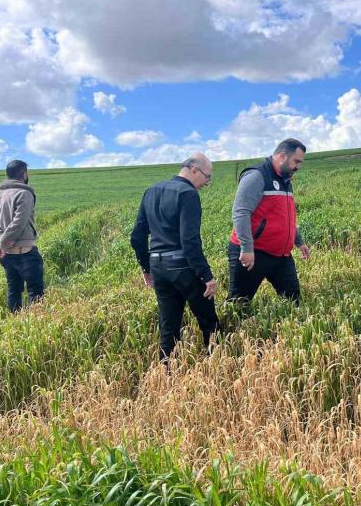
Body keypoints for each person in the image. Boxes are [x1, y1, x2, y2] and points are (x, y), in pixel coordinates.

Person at [130, 153, 219, 363]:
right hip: (183, 266)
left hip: (158, 266)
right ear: (194, 170)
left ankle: (167, 372)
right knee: (208, 321)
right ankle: (217, 366)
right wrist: (206, 276)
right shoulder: (188, 194)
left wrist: (147, 268)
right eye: (207, 177)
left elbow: (136, 237)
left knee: (168, 326)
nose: (207, 182)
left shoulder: (151, 191)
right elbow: (189, 241)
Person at [227, 138, 310, 305]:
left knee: (293, 301)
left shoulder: (286, 179)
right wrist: (247, 248)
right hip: (254, 252)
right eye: (296, 161)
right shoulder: (257, 176)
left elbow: (287, 216)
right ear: (282, 156)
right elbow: (240, 212)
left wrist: (299, 241)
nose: (298, 166)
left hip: (281, 255)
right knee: (239, 303)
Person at [0, 160, 44, 312]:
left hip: (6, 254)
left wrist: (1, 241)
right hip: (25, 250)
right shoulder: (25, 193)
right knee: (35, 291)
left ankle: (16, 322)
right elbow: (19, 221)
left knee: (14, 288)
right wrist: (4, 242)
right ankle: (35, 323)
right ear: (23, 174)